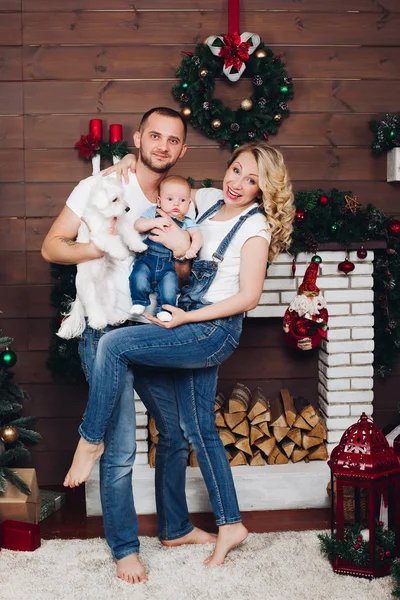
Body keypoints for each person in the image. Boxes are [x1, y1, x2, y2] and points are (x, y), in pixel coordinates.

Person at [63, 140, 295, 571]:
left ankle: (90, 440)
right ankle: (218, 525)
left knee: (114, 345)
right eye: (237, 170)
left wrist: (187, 320)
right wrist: (129, 161)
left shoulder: (254, 228)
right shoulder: (207, 202)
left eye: (252, 180)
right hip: (186, 321)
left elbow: (248, 297)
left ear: (264, 190)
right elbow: (164, 187)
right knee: (195, 428)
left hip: (211, 331)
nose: (238, 183)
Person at [42, 107, 216, 585]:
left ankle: (176, 527)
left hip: (153, 333)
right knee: (118, 451)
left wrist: (183, 250)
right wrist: (102, 246)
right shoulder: (101, 185)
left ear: (182, 150)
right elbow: (51, 246)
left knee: (176, 433)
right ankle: (123, 547)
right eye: (154, 135)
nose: (162, 145)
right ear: (139, 138)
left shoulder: (182, 199)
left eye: (173, 140)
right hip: (105, 331)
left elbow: (184, 269)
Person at [130, 175, 203, 322]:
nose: (176, 203)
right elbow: (138, 225)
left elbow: (198, 235)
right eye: (170, 199)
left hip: (168, 264)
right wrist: (154, 222)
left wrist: (193, 248)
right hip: (146, 259)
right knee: (138, 277)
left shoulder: (187, 221)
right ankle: (139, 301)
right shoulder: (153, 213)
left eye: (182, 200)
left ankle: (164, 309)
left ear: (189, 204)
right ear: (159, 201)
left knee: (170, 285)